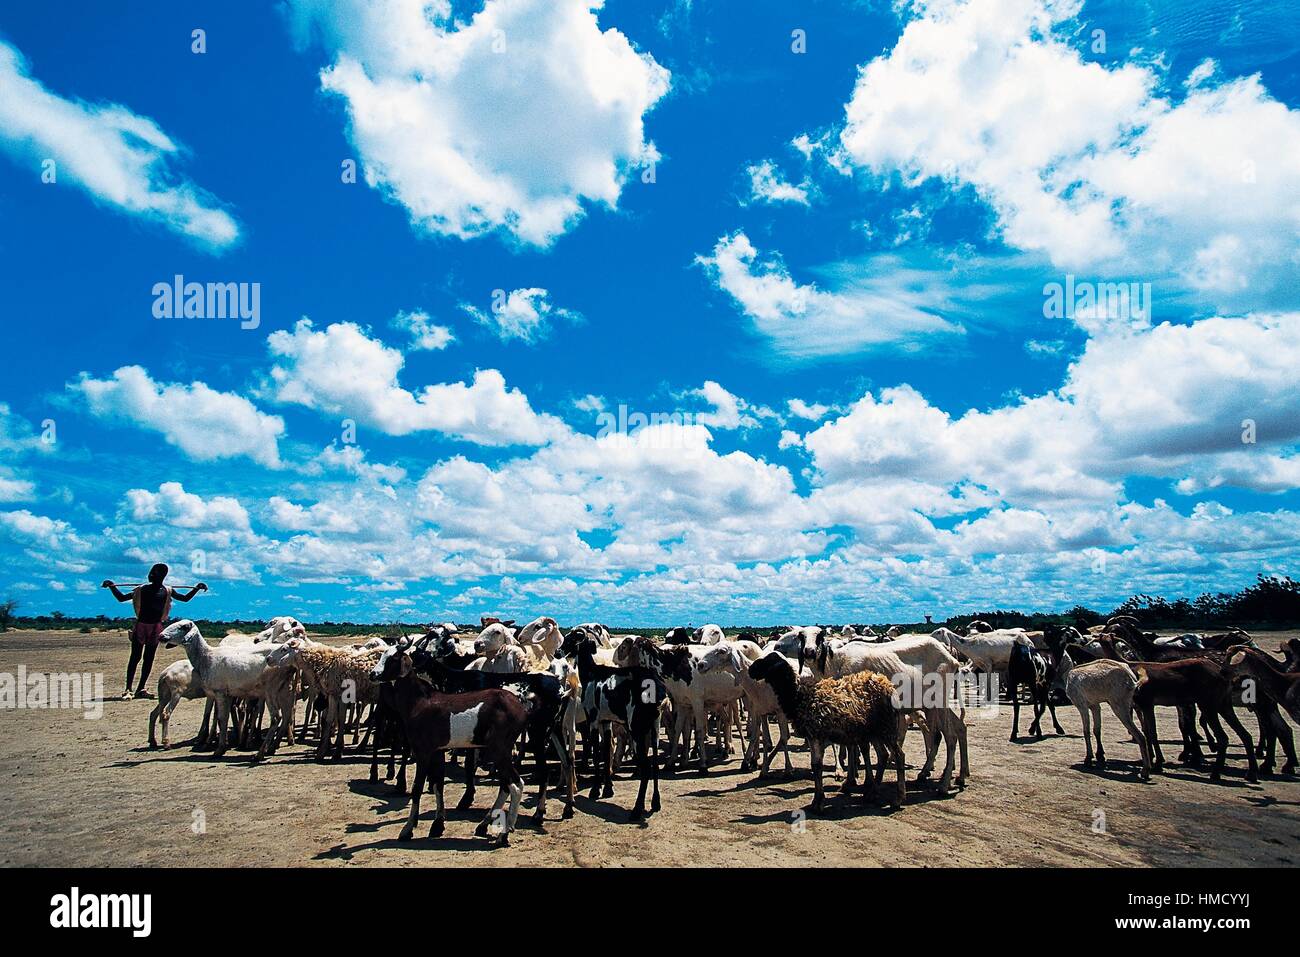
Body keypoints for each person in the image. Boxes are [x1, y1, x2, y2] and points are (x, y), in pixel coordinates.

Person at [102, 564, 206, 700]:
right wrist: (112, 586)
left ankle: (141, 688)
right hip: (141, 626)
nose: (150, 575)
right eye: (151, 573)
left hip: (156, 627)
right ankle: (128, 689)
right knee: (135, 657)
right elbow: (121, 598)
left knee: (148, 659)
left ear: (162, 576)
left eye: (154, 573)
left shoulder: (167, 591)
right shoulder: (141, 589)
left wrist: (196, 588)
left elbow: (185, 599)